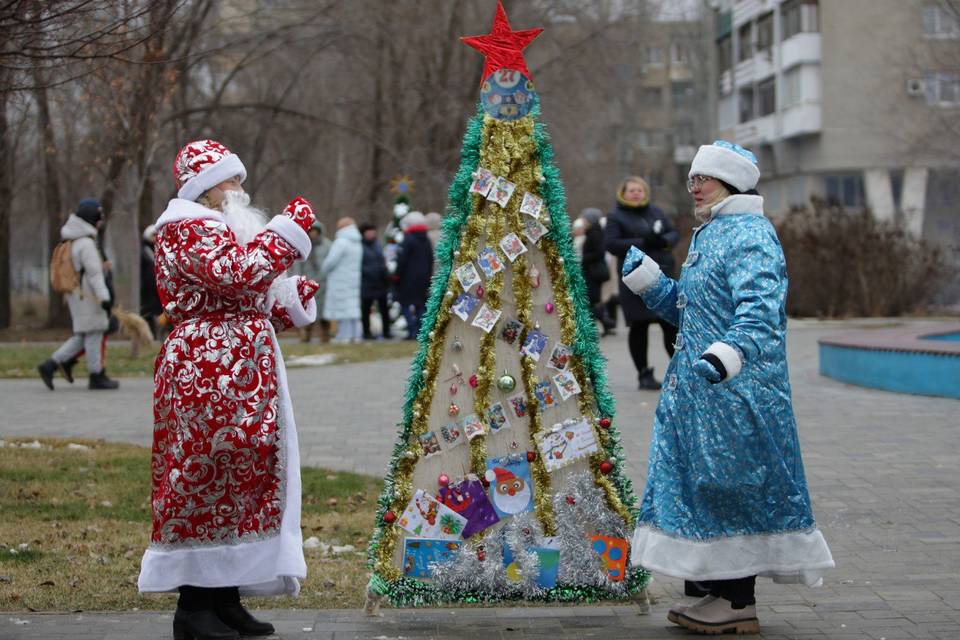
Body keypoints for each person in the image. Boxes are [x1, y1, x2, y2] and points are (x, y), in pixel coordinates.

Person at [622, 140, 834, 635]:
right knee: (708, 489)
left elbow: (760, 313)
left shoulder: (750, 234)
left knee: (735, 486)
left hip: (739, 393)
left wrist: (727, 355)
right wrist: (653, 284)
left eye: (704, 178)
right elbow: (693, 314)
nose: (694, 186)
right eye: (692, 178)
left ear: (733, 182)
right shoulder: (712, 232)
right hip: (702, 392)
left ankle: (739, 601)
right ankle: (717, 591)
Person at [137, 139, 319, 640]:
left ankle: (225, 597)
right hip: (205, 371)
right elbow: (235, 277)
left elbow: (240, 298)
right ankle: (194, 607)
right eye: (229, 180)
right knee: (205, 473)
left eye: (239, 178)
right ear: (202, 187)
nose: (239, 189)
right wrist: (288, 233)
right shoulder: (184, 228)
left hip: (239, 368)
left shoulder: (216, 229)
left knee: (244, 473)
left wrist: (286, 304)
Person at [605, 176, 680, 390]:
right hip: (635, 279)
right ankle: (644, 374)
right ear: (623, 193)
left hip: (662, 274)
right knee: (639, 325)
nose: (637, 193)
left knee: (670, 324)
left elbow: (673, 233)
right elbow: (611, 244)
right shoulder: (616, 216)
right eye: (632, 190)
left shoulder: (656, 212)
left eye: (640, 190)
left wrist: (664, 241)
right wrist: (641, 243)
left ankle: (680, 370)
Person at [37, 199, 120, 391]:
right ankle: (96, 375)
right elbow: (94, 274)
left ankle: (50, 365)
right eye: (98, 219)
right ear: (92, 219)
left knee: (84, 336)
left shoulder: (73, 241)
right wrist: (104, 298)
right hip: (89, 297)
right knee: (94, 334)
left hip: (78, 296)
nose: (100, 223)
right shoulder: (86, 244)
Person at [321, 217, 363, 343]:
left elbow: (331, 261)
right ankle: (356, 335)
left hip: (340, 280)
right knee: (352, 308)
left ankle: (343, 336)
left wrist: (324, 268)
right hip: (353, 279)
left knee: (342, 309)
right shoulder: (357, 242)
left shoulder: (341, 242)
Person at [394, 211, 434, 340]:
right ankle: (419, 330)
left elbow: (402, 259)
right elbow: (430, 258)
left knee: (405, 303)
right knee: (421, 304)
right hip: (423, 277)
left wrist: (396, 275)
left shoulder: (408, 239)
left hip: (407, 277)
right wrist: (428, 274)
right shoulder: (426, 239)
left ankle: (411, 329)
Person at [579, 208, 615, 336]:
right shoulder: (592, 232)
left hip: (593, 273)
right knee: (591, 301)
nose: (582, 221)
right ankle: (605, 323)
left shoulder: (594, 233)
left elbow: (599, 252)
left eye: (584, 219)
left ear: (590, 220)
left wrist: (584, 259)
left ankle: (603, 323)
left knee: (591, 301)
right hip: (592, 271)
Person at [296, 221, 333, 343]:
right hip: (308, 282)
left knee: (324, 311)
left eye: (316, 232)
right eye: (311, 231)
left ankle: (325, 335)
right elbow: (298, 264)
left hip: (324, 283)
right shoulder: (304, 245)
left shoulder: (327, 245)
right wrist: (298, 278)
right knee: (308, 310)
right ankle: (306, 335)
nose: (313, 234)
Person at [359, 221, 392, 340]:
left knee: (384, 308)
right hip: (367, 282)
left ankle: (387, 332)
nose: (372, 234)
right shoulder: (360, 246)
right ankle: (367, 332)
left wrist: (385, 273)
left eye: (373, 231)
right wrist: (368, 272)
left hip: (380, 282)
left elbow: (382, 260)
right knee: (366, 309)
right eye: (369, 231)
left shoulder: (378, 244)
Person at [140, 224, 164, 339]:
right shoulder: (145, 250)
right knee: (149, 312)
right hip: (148, 288)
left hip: (156, 287)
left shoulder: (156, 249)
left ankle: (157, 335)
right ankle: (150, 336)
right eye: (154, 235)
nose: (156, 238)